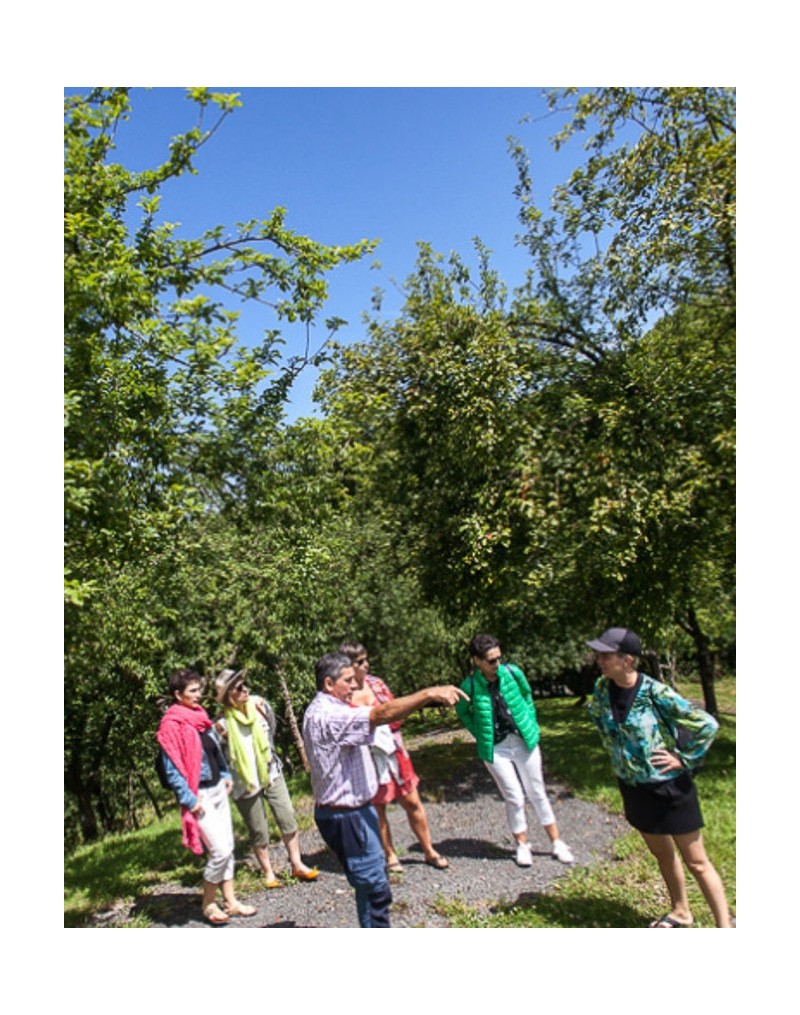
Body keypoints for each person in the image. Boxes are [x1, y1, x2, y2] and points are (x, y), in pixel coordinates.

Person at [302, 652, 467, 927]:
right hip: (347, 816)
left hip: (351, 812)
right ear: (329, 684)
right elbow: (380, 714)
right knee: (375, 888)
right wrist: (428, 694)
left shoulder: (325, 708)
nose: (355, 685)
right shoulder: (330, 715)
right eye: (347, 681)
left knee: (372, 882)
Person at [585, 627, 732, 928]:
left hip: (670, 788)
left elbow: (707, 725)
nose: (598, 659)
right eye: (598, 654)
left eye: (605, 655)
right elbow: (599, 718)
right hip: (634, 788)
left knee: (697, 862)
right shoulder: (602, 688)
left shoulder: (655, 692)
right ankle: (681, 912)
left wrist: (684, 758)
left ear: (627, 660)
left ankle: (725, 926)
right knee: (663, 855)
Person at [455, 634, 574, 866]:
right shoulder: (469, 686)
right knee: (514, 796)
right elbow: (463, 712)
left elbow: (527, 696)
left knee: (537, 791)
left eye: (499, 658)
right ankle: (522, 844)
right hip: (496, 749)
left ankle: (557, 842)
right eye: (491, 660)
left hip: (523, 742)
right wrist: (480, 733)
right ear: (477, 661)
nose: (497, 664)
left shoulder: (512, 673)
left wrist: (531, 722)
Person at [156, 668, 257, 925]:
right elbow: (172, 769)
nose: (199, 694)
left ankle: (231, 901)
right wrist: (189, 800)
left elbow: (214, 752)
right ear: (177, 695)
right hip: (198, 795)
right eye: (193, 691)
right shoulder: (171, 726)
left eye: (199, 689)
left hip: (217, 790)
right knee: (220, 851)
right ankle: (208, 903)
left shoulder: (200, 717)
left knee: (229, 847)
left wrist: (225, 775)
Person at [340, 641, 449, 873]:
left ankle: (429, 849)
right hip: (368, 757)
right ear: (348, 666)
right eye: (360, 662)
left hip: (394, 751)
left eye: (366, 659)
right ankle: (390, 855)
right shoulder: (343, 697)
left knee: (412, 802)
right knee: (378, 808)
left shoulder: (376, 684)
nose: (366, 665)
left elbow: (396, 712)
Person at [213, 668, 319, 888]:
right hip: (244, 783)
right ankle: (269, 872)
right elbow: (218, 756)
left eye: (244, 684)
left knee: (287, 815)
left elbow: (271, 728)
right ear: (227, 696)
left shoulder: (260, 705)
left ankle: (297, 863)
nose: (245, 689)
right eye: (238, 687)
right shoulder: (221, 726)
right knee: (258, 829)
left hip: (270, 772)